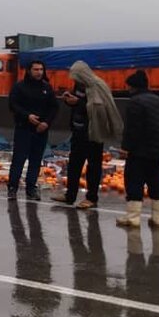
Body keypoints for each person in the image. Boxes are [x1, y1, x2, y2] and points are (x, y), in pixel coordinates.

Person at [51, 60, 123, 208]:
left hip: (93, 132)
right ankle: (69, 195)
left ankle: (92, 198)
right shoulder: (79, 85)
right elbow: (78, 101)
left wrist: (78, 102)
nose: (76, 81)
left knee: (93, 166)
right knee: (74, 164)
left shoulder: (97, 86)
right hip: (78, 130)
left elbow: (99, 108)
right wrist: (69, 99)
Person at [116, 70, 159, 228]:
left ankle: (133, 218)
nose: (128, 89)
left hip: (140, 151)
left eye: (128, 86)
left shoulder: (135, 102)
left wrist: (126, 147)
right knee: (156, 182)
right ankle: (158, 219)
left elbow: (132, 129)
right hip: (158, 150)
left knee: (134, 182)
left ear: (133, 87)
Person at [6, 60, 58, 201]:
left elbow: (54, 107)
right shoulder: (19, 87)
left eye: (41, 69)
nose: (39, 72)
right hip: (24, 128)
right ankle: (12, 187)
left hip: (41, 130)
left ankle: (31, 188)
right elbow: (13, 105)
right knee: (19, 159)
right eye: (36, 69)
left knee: (36, 160)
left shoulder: (47, 88)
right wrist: (27, 116)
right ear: (29, 71)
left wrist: (46, 122)